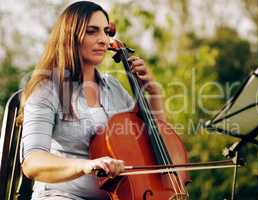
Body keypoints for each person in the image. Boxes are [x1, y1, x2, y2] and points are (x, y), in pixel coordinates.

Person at [19, 1, 165, 199]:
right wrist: (86, 166)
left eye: (106, 31)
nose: (104, 40)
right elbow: (33, 163)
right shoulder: (47, 90)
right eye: (92, 31)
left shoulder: (113, 87)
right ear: (70, 38)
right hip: (62, 195)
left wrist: (153, 91)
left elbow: (149, 139)